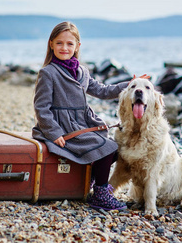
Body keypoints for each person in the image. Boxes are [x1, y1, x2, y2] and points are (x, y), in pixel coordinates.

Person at [32, 21, 128, 211]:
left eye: (69, 44)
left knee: (117, 149)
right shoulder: (48, 72)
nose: (64, 48)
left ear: (78, 46)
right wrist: (53, 132)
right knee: (106, 148)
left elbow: (102, 90)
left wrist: (130, 85)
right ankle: (100, 194)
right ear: (51, 44)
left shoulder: (82, 71)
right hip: (63, 127)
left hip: (83, 123)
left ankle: (90, 180)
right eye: (59, 43)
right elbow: (41, 107)